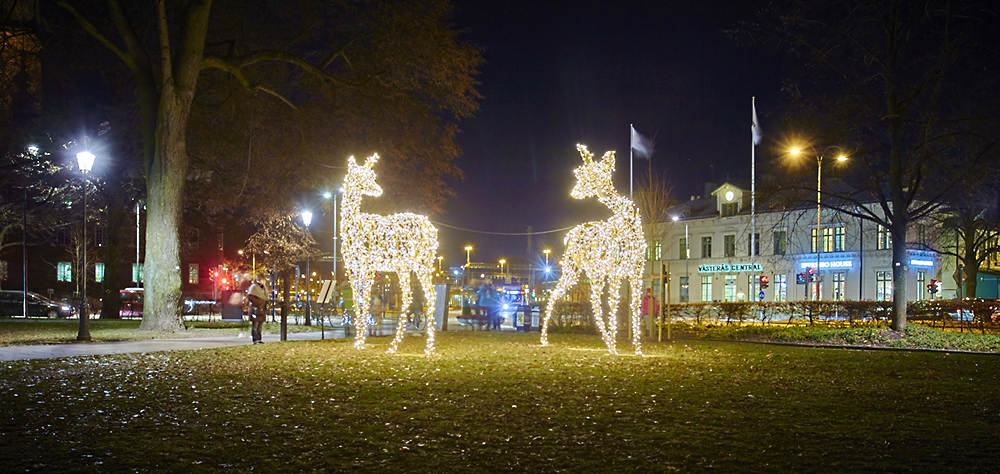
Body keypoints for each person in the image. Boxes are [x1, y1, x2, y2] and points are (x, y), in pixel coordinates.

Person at [246, 273, 270, 344]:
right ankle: (255, 339)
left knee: (260, 325)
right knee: (255, 325)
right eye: (263, 280)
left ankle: (259, 338)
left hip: (262, 310)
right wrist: (258, 303)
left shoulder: (264, 288)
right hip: (255, 309)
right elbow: (250, 297)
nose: (264, 281)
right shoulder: (254, 287)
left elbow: (266, 297)